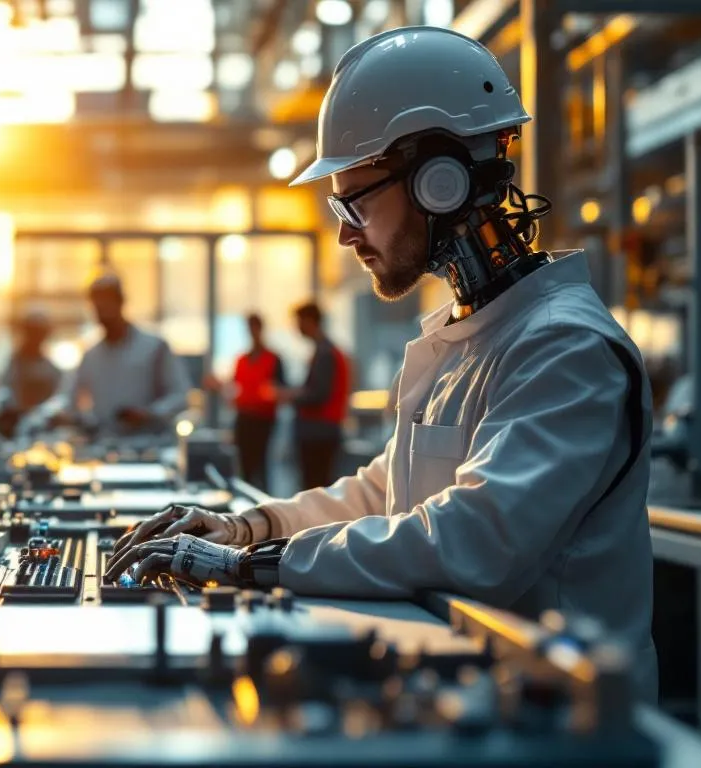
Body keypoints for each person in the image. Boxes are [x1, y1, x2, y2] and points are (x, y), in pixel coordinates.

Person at [104, 26, 656, 699]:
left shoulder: (565, 348)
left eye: (354, 200)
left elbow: (475, 540)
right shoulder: (473, 334)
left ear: (439, 183)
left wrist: (251, 565)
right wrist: (248, 527)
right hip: (461, 687)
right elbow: (384, 492)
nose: (343, 232)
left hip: (558, 719)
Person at [43, 272, 191, 433]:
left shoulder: (154, 347)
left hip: (149, 443)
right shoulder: (91, 355)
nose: (102, 311)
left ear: (121, 302)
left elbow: (181, 395)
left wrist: (150, 413)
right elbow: (67, 397)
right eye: (97, 306)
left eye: (107, 304)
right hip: (105, 443)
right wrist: (55, 413)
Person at [205, 313, 284, 490]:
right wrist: (220, 386)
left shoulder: (273, 359)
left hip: (264, 419)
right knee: (244, 465)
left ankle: (263, 504)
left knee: (261, 464)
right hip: (244, 417)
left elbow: (280, 390)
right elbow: (235, 387)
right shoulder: (241, 360)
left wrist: (268, 394)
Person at [287, 302, 350, 489]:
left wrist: (290, 396)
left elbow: (319, 395)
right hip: (322, 431)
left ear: (309, 321)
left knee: (315, 489)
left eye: (298, 321)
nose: (296, 327)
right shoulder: (326, 350)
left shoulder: (325, 353)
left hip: (318, 432)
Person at [0, 307, 63, 414]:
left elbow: (58, 400)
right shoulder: (14, 365)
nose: (35, 338)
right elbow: (4, 392)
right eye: (32, 332)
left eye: (39, 333)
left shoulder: (52, 370)